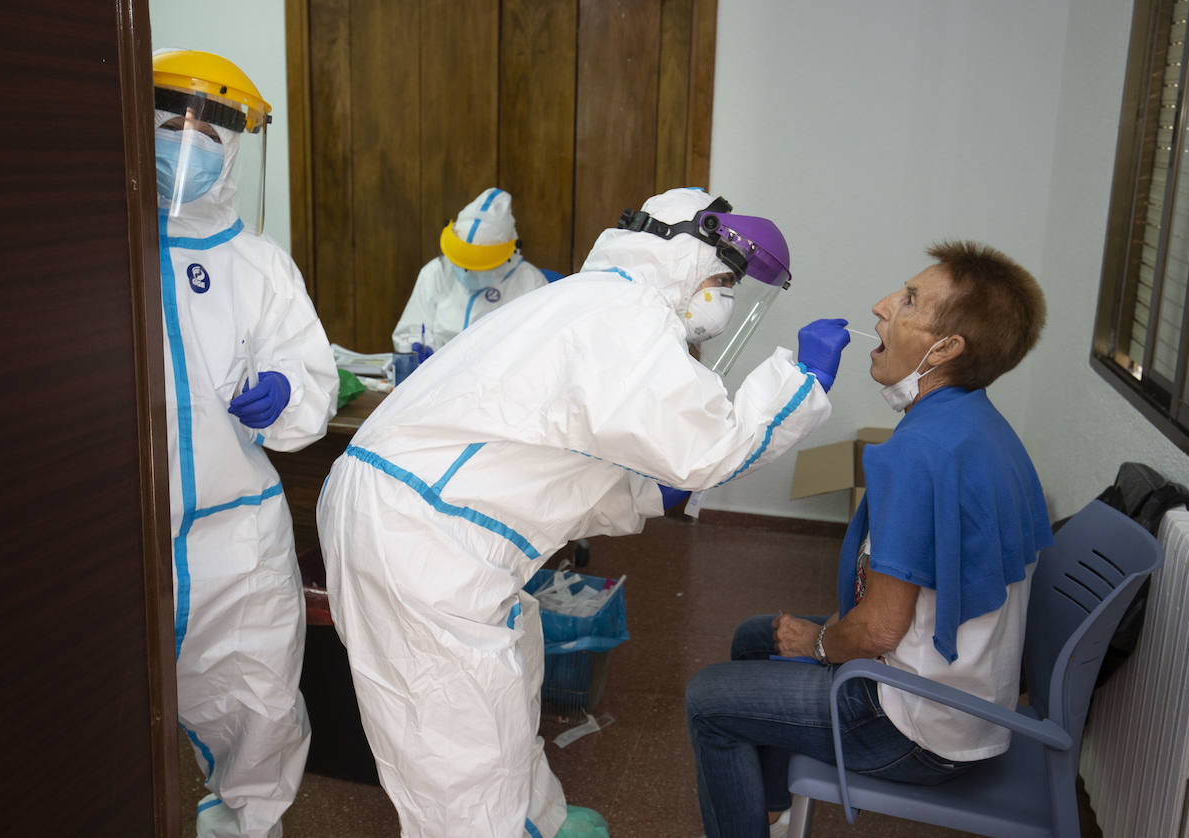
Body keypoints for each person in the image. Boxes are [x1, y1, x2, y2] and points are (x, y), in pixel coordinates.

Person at [316, 187, 852, 837]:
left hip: (437, 521)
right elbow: (710, 450)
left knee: (505, 689)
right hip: (422, 536)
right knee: (454, 750)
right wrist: (802, 384)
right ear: (685, 249)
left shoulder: (595, 302)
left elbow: (558, 461)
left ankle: (533, 820)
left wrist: (651, 496)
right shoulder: (625, 314)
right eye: (725, 278)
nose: (726, 298)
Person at [684, 241, 1053, 838]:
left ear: (947, 348)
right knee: (756, 637)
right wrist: (826, 638)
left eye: (908, 300)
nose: (881, 306)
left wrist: (823, 642)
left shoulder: (919, 453)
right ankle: (777, 815)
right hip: (970, 701)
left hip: (918, 730)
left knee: (708, 700)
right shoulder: (981, 427)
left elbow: (880, 629)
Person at [153, 49, 340, 838]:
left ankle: (249, 825)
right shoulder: (95, 247)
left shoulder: (260, 264)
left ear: (237, 145)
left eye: (209, 125)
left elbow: (314, 386)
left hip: (240, 533)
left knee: (259, 697)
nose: (188, 138)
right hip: (130, 537)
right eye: (171, 119)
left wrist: (286, 394)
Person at [391, 188, 550, 360]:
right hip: (437, 377)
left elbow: (539, 348)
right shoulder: (436, 272)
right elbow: (409, 331)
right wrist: (420, 349)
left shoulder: (530, 284)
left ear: (505, 257)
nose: (467, 272)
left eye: (478, 265)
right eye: (460, 261)